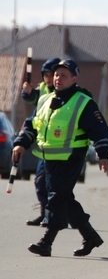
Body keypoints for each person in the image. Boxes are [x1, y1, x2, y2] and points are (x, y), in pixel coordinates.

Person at [12, 59, 108, 257]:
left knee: (57, 198)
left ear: (74, 79)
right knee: (65, 199)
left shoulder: (83, 102)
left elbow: (100, 130)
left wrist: (103, 155)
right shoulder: (44, 100)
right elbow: (32, 125)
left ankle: (46, 242)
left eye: (64, 75)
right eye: (56, 74)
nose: (58, 78)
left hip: (72, 158)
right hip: (49, 158)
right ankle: (90, 236)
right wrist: (21, 143)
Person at [21, 57, 59, 226]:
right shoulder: (43, 90)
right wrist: (27, 92)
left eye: (51, 75)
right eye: (46, 75)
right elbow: (33, 101)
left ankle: (58, 216)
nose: (48, 79)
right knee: (40, 180)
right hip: (44, 145)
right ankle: (46, 213)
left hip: (60, 146)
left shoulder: (63, 92)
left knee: (57, 186)